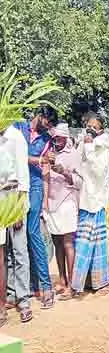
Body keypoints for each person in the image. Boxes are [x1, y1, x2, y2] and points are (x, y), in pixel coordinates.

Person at [14, 106, 58, 308]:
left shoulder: (46, 139)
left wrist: (46, 201)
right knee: (14, 239)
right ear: (40, 116)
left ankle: (46, 288)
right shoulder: (17, 127)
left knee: (34, 235)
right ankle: (18, 289)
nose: (48, 127)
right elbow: (12, 157)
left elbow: (46, 169)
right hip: (14, 188)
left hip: (34, 187)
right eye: (47, 123)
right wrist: (38, 159)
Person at [70, 113, 109, 297]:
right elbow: (77, 166)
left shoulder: (104, 146)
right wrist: (85, 145)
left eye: (95, 127)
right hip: (85, 199)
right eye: (89, 125)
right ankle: (80, 283)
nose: (91, 129)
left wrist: (89, 146)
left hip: (98, 201)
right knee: (83, 243)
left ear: (101, 129)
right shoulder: (83, 143)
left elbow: (98, 171)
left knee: (97, 243)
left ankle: (99, 282)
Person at [43, 123, 81, 300]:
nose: (56, 140)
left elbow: (80, 181)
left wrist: (64, 172)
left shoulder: (73, 155)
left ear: (66, 137)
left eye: (59, 137)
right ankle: (62, 279)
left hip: (67, 202)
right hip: (52, 203)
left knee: (68, 243)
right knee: (57, 242)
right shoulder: (49, 153)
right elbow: (44, 177)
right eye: (54, 137)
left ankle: (72, 284)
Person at [1, 120, 30, 325]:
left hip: (14, 197)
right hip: (1, 198)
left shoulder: (16, 137)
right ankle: (10, 293)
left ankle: (24, 299)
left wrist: (19, 208)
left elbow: (22, 174)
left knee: (19, 250)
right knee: (5, 252)